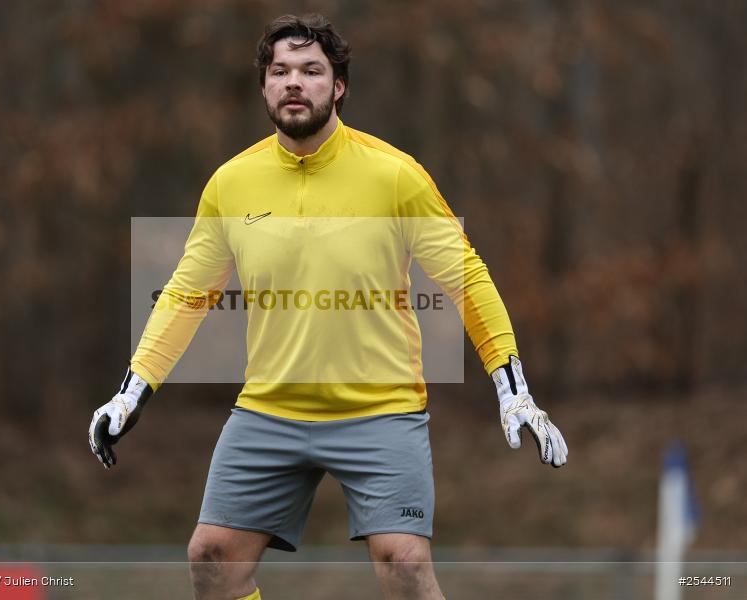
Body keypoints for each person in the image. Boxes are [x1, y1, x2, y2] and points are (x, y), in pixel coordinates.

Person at [89, 13, 568, 600]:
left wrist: (511, 384)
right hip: (269, 409)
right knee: (212, 559)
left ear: (338, 86)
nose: (295, 82)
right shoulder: (230, 184)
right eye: (280, 71)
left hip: (381, 408)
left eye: (312, 70)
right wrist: (133, 390)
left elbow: (466, 278)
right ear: (264, 86)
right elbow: (187, 295)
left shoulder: (396, 176)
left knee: (405, 565)